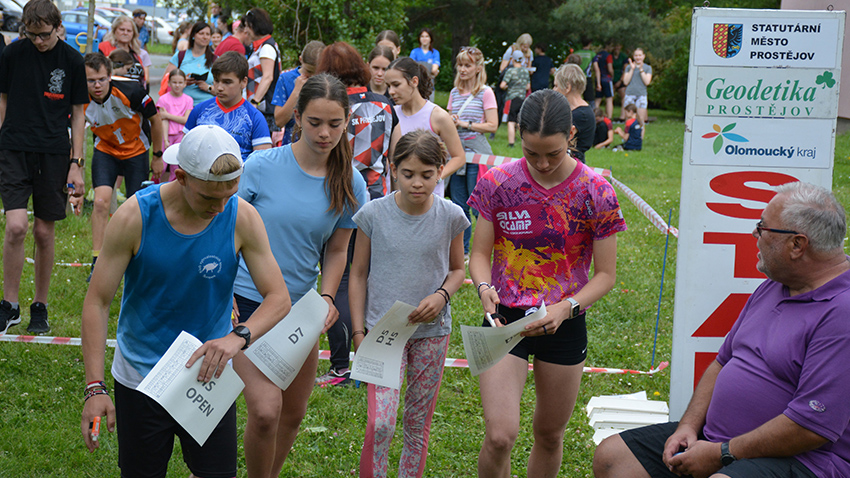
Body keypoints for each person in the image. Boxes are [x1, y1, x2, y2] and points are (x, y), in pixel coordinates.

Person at [594, 181, 850, 478]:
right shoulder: (776, 285)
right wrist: (688, 426)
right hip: (721, 443)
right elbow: (722, 361)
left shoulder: (841, 313)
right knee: (614, 457)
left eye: (763, 228)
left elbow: (810, 427)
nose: (755, 234)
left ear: (797, 245)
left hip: (805, 461)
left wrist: (722, 454)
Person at [79, 124, 291, 476]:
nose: (220, 208)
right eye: (209, 198)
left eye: (229, 195)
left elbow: (279, 297)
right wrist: (94, 387)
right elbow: (97, 302)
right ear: (181, 177)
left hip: (208, 376)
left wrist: (237, 337)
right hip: (141, 376)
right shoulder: (135, 216)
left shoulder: (241, 216)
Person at [467, 89, 626, 478]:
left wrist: (566, 307)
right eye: (531, 152)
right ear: (519, 136)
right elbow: (480, 255)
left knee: (550, 435)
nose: (541, 163)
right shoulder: (498, 182)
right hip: (505, 320)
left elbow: (606, 275)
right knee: (499, 436)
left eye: (553, 153)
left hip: (565, 323)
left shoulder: (596, 190)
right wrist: (484, 287)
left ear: (571, 135)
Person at [231, 73, 368, 478]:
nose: (325, 133)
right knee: (265, 410)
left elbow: (338, 250)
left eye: (335, 124)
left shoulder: (351, 181)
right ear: (297, 119)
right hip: (247, 302)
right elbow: (224, 231)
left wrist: (326, 297)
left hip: (300, 312)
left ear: (347, 122)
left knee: (292, 414)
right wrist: (222, 295)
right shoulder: (261, 166)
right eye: (315, 122)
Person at [350, 130, 468, 478]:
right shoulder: (373, 214)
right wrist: (358, 331)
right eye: (408, 174)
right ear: (392, 168)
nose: (417, 183)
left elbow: (458, 270)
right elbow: (357, 274)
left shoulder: (451, 216)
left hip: (432, 333)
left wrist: (441, 296)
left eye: (427, 175)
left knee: (417, 424)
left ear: (441, 171)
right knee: (381, 423)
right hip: (383, 332)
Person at [313, 41, 398, 386]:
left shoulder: (334, 105)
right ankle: (372, 362)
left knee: (340, 278)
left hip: (341, 194)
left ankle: (341, 366)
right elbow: (395, 154)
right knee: (368, 278)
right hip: (378, 196)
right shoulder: (386, 104)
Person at [0, 0, 87, 334]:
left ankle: (40, 305)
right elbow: (3, 99)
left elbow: (78, 114)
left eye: (45, 35)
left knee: (43, 231)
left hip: (53, 153)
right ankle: (9, 305)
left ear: (58, 28)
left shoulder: (72, 60)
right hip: (14, 148)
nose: (38, 41)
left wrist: (76, 163)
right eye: (32, 34)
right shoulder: (12, 54)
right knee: (16, 226)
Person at [84, 52, 163, 279]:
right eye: (91, 81)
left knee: (134, 206)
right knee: (101, 202)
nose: (97, 86)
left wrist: (158, 155)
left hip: (136, 150)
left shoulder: (132, 91)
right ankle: (97, 260)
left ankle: (135, 256)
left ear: (110, 75)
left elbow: (156, 120)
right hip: (106, 150)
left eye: (101, 79)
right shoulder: (79, 96)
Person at [386, 57, 465, 197]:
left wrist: (435, 178)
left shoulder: (437, 116)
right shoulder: (390, 114)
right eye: (388, 86)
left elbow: (459, 157)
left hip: (430, 198)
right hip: (399, 198)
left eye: (396, 85)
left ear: (414, 81)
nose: (391, 91)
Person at [447, 45, 497, 257]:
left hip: (477, 157)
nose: (462, 69)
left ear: (478, 68)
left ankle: (484, 251)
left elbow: (492, 125)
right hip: (457, 155)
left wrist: (465, 124)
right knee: (458, 206)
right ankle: (463, 252)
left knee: (478, 206)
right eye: (460, 65)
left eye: (467, 65)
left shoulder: (486, 92)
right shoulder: (453, 93)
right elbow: (448, 121)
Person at [184, 52, 272, 161]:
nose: (219, 88)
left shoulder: (254, 118)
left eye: (227, 82)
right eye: (216, 81)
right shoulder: (200, 110)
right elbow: (184, 151)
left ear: (244, 82)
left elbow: (262, 163)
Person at [272, 40, 325, 146]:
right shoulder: (285, 79)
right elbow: (279, 121)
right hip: (292, 144)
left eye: (318, 73)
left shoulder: (329, 80)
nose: (312, 77)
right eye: (308, 72)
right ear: (300, 60)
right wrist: (296, 92)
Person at [242, 8, 281, 135]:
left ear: (255, 25)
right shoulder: (263, 46)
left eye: (247, 26)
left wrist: (254, 102)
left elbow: (268, 77)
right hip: (261, 108)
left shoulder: (266, 48)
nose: (245, 30)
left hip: (264, 109)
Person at [164, 22, 215, 106]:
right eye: (201, 33)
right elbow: (166, 80)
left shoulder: (215, 59)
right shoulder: (180, 56)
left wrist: (208, 87)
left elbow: (223, 90)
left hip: (207, 106)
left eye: (208, 34)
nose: (205, 37)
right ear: (193, 35)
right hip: (181, 106)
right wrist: (182, 82)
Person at [156, 69, 193, 182]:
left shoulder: (188, 100)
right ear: (169, 83)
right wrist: (165, 139)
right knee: (161, 166)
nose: (177, 85)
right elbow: (163, 120)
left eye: (180, 82)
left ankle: (174, 186)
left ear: (185, 83)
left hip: (180, 135)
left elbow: (185, 120)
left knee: (176, 165)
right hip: (166, 135)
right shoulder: (163, 99)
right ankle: (155, 185)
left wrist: (167, 115)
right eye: (174, 82)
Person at [553, 63, 594, 163]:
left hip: (570, 165)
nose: (554, 90)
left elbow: (556, 140)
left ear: (567, 87)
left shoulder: (580, 115)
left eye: (556, 86)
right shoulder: (574, 112)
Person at [99, 15, 149, 89]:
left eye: (129, 31)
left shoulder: (136, 52)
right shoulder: (103, 47)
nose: (125, 33)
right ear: (114, 31)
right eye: (122, 30)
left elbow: (144, 79)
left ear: (133, 34)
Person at [500, 49, 530, 148]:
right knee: (519, 122)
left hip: (512, 98)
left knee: (511, 121)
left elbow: (502, 85)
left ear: (512, 59)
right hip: (522, 98)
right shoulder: (525, 71)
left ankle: (511, 143)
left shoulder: (510, 71)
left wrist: (507, 87)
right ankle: (525, 142)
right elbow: (528, 87)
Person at [622, 47, 652, 124]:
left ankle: (640, 132)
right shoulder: (629, 67)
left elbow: (647, 82)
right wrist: (632, 69)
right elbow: (625, 82)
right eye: (636, 55)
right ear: (633, 56)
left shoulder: (647, 68)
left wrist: (641, 69)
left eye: (640, 55)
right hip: (630, 94)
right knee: (629, 119)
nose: (638, 57)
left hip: (641, 95)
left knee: (641, 120)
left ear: (643, 56)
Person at [409, 27, 440, 100]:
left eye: (427, 36)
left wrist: (419, 65)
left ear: (430, 38)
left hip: (429, 86)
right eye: (422, 36)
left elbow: (434, 70)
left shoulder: (435, 53)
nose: (424, 39)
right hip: (416, 86)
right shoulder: (414, 52)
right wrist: (429, 68)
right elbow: (411, 68)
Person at [592, 45, 614, 119]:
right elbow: (610, 68)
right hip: (607, 79)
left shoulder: (597, 55)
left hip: (598, 79)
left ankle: (594, 115)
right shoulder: (608, 56)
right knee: (609, 99)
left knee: (598, 99)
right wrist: (612, 75)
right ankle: (609, 117)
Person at [610, 44, 628, 120]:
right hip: (611, 78)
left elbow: (625, 69)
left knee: (624, 96)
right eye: (615, 46)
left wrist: (621, 80)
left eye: (618, 46)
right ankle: (609, 115)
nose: (616, 48)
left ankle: (622, 116)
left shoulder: (624, 56)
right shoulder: (610, 56)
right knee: (610, 97)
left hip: (621, 78)